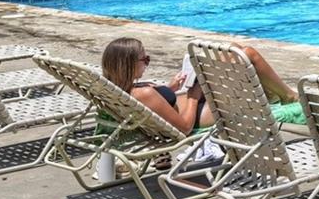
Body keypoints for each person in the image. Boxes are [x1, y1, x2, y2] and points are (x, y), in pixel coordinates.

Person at [100, 36, 304, 131]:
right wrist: (193, 97)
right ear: (127, 65)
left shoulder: (118, 87)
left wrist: (170, 89)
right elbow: (184, 127)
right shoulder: (142, 94)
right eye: (145, 60)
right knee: (247, 54)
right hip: (197, 114)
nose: (147, 63)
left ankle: (274, 94)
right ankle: (288, 96)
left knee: (233, 49)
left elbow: (157, 105)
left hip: (191, 103)